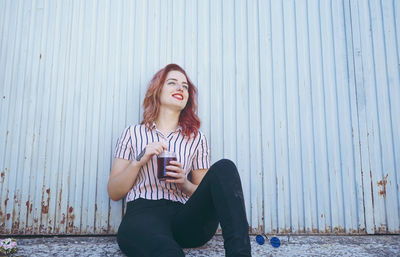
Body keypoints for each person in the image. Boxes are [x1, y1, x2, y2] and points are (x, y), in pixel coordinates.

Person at [107, 63, 251, 257]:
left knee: (225, 167)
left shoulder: (197, 139)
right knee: (168, 252)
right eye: (172, 83)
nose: (180, 88)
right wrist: (139, 160)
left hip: (185, 218)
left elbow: (207, 195)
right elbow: (114, 192)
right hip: (144, 215)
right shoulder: (132, 133)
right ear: (157, 91)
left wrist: (184, 183)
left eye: (185, 86)